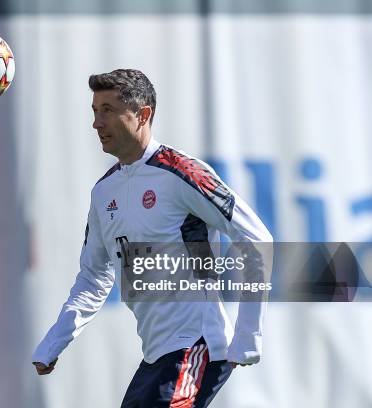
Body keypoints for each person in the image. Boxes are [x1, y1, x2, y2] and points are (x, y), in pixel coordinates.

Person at [31, 69, 273, 407]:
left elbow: (257, 238)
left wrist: (248, 335)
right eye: (95, 111)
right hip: (156, 356)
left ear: (143, 114)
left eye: (108, 110)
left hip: (197, 345)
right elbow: (93, 277)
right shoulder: (104, 192)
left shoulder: (182, 173)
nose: (97, 123)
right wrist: (53, 342)